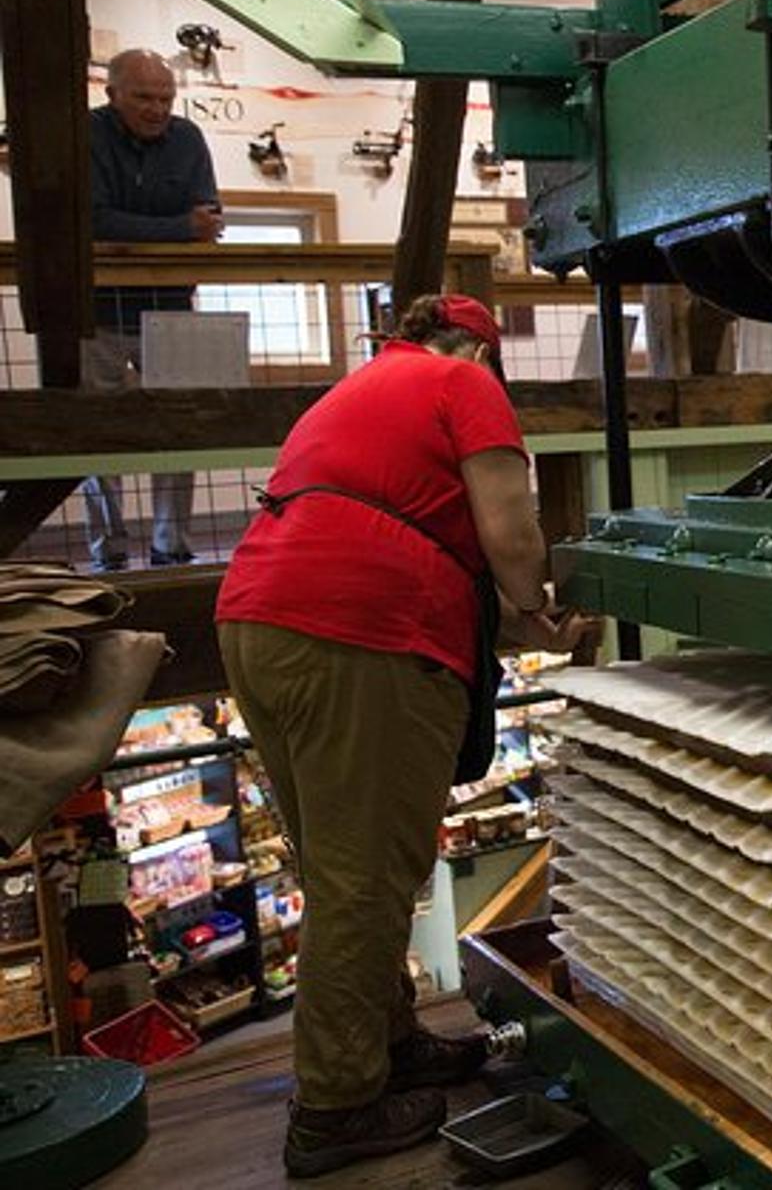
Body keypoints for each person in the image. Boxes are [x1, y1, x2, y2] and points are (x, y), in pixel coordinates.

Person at [215, 295, 588, 1178]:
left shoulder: (365, 390)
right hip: (355, 630)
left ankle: (386, 1042)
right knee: (366, 878)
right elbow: (510, 533)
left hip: (261, 618)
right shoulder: (462, 381)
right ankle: (338, 1107)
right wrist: (546, 602)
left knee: (341, 864)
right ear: (477, 349)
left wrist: (519, 624)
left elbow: (427, 547)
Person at [83, 48, 223, 570]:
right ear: (112, 93)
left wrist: (173, 230)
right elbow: (91, 220)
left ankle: (171, 545)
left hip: (171, 307)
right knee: (99, 435)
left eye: (165, 97)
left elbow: (209, 219)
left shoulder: (189, 139)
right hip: (95, 309)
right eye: (143, 97)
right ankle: (110, 551)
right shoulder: (86, 135)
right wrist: (177, 229)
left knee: (180, 430)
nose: (157, 108)